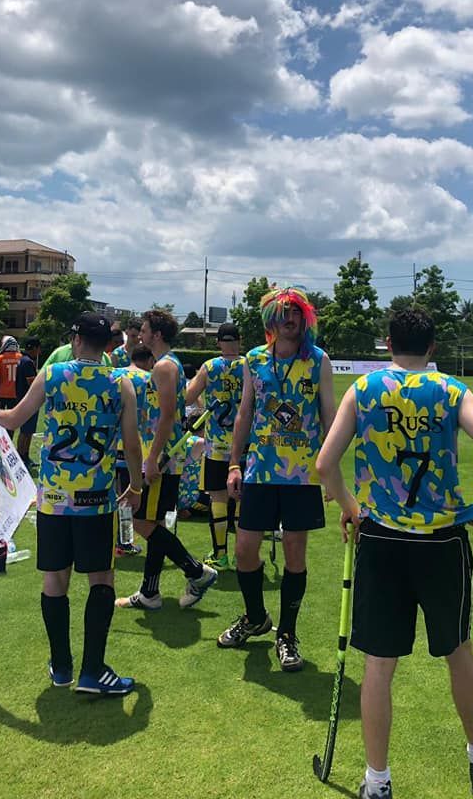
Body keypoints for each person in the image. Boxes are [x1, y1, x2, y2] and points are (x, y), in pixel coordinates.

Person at [316, 307, 473, 799]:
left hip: (381, 540)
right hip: (442, 542)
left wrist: (350, 506)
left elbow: (325, 464)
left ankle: (377, 783)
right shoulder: (449, 390)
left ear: (387, 343)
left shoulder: (363, 390)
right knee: (457, 651)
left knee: (379, 665)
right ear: (433, 348)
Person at [0, 312, 143, 695]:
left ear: (75, 339)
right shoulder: (121, 383)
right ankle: (93, 671)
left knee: (56, 579)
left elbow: (14, 418)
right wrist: (134, 485)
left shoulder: (53, 375)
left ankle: (62, 667)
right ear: (107, 346)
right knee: (101, 578)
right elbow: (131, 444)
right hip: (96, 501)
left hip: (53, 499)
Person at [217, 287, 336, 672]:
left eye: (297, 312)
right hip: (260, 472)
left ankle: (287, 633)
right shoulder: (253, 359)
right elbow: (244, 414)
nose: (291, 318)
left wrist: (331, 472)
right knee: (244, 551)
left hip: (302, 475)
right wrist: (234, 464)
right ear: (271, 317)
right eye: (283, 312)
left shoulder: (318, 361)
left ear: (306, 319)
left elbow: (330, 417)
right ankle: (255, 617)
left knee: (294, 556)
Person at [115, 309, 217, 612]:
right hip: (165, 455)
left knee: (141, 521)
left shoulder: (163, 368)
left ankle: (196, 571)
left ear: (156, 334)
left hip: (163, 456)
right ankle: (149, 593)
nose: (140, 334)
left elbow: (168, 416)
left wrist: (153, 458)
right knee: (155, 523)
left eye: (144, 329)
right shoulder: (166, 365)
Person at [185, 321, 244, 570]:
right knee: (243, 499)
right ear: (239, 341)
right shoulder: (249, 365)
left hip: (216, 445)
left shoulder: (209, 367)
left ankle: (220, 554)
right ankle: (244, 555)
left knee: (217, 496)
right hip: (245, 444)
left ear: (218, 342)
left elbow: (187, 396)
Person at [111, 344, 153, 556]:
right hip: (135, 443)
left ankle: (108, 539)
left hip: (110, 443)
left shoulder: (114, 374)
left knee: (110, 494)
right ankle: (124, 542)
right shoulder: (148, 379)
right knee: (128, 497)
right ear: (148, 360)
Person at [15, 337, 41, 468]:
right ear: (35, 348)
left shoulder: (21, 360)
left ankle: (24, 455)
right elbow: (32, 383)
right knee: (26, 431)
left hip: (22, 399)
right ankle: (22, 455)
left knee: (26, 430)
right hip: (29, 400)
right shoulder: (28, 362)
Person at [0, 336, 23, 436]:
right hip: (15, 393)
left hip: (2, 393)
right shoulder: (20, 357)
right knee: (11, 420)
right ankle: (9, 440)